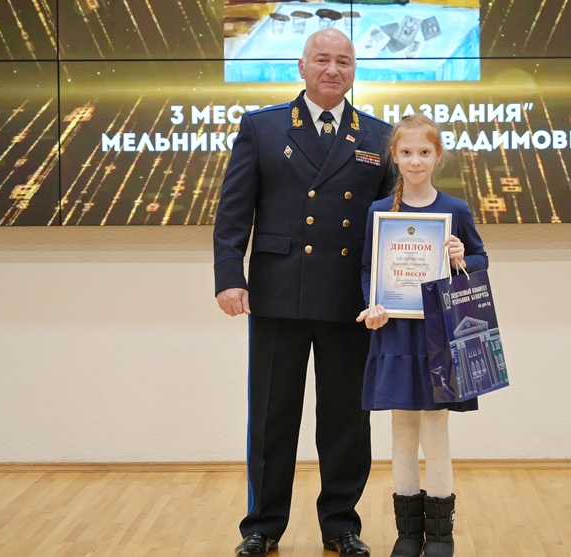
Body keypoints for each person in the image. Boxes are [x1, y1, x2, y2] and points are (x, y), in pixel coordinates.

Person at [213, 28, 393, 557]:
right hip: (278, 293)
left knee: (346, 420)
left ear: (354, 70)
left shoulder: (378, 136)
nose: (333, 69)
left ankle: (341, 525)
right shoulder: (263, 127)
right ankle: (262, 526)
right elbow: (233, 211)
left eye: (344, 61)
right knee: (272, 417)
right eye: (322, 59)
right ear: (302, 66)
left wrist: (403, 280)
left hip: (350, 299)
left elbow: (391, 222)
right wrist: (229, 275)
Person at [356, 114, 487, 557]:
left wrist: (459, 256)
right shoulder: (380, 212)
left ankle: (441, 535)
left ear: (437, 156)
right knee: (402, 431)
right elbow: (369, 270)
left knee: (436, 431)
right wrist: (373, 304)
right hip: (394, 334)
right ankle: (408, 534)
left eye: (424, 152)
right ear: (394, 156)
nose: (415, 160)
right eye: (407, 152)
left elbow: (480, 262)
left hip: (439, 336)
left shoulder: (455, 210)